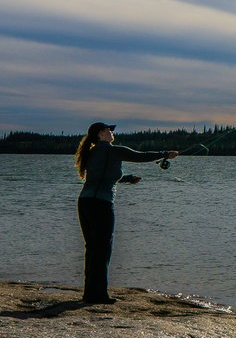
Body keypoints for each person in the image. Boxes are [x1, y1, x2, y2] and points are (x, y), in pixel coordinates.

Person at [73, 122, 179, 305]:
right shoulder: (113, 150)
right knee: (102, 250)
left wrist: (128, 179)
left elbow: (104, 175)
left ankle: (90, 294)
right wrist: (165, 154)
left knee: (92, 249)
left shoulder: (90, 152)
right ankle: (98, 296)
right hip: (101, 204)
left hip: (85, 203)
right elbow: (141, 156)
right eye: (108, 130)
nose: (112, 132)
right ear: (100, 134)